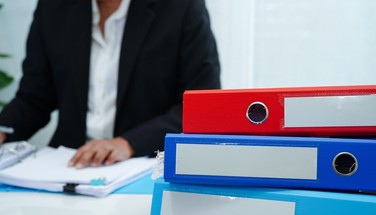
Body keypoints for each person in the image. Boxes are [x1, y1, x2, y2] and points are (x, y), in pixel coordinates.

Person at [0, 0, 220, 168]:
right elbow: (35, 97)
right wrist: (3, 130)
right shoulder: (54, 7)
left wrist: (128, 143)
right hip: (69, 166)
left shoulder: (182, 7)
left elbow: (203, 107)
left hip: (145, 163)